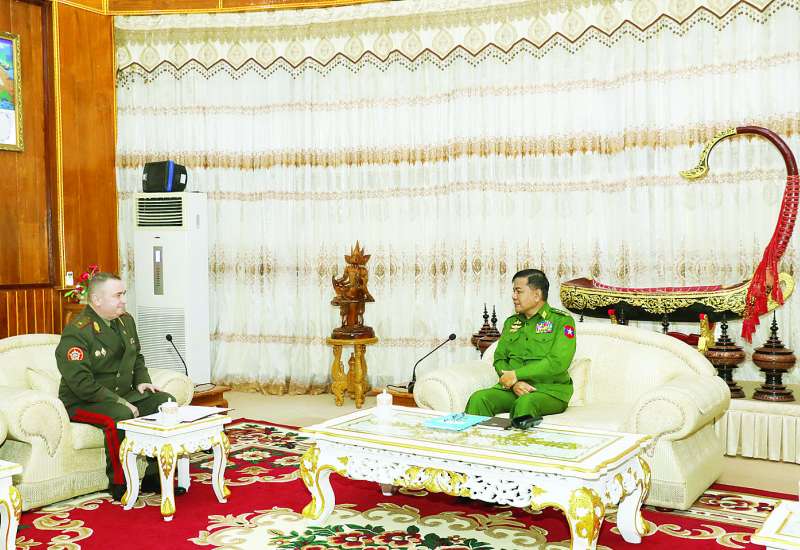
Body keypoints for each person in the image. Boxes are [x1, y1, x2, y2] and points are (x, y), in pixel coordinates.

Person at [55, 272, 175, 501]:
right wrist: (120, 401)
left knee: (164, 402)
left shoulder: (125, 321)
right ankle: (120, 484)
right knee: (119, 416)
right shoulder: (78, 331)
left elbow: (136, 356)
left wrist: (142, 380)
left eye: (123, 294)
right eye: (118, 295)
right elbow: (81, 384)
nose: (123, 300)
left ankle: (154, 475)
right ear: (97, 299)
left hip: (122, 394)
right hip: (83, 401)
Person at [465, 269, 576, 420]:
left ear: (536, 295)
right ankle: (478, 436)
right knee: (479, 398)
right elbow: (500, 358)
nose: (514, 296)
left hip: (549, 391)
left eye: (519, 291)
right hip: (514, 389)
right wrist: (514, 383)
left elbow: (558, 362)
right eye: (513, 291)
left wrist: (516, 375)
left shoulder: (561, 321)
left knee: (525, 403)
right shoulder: (511, 323)